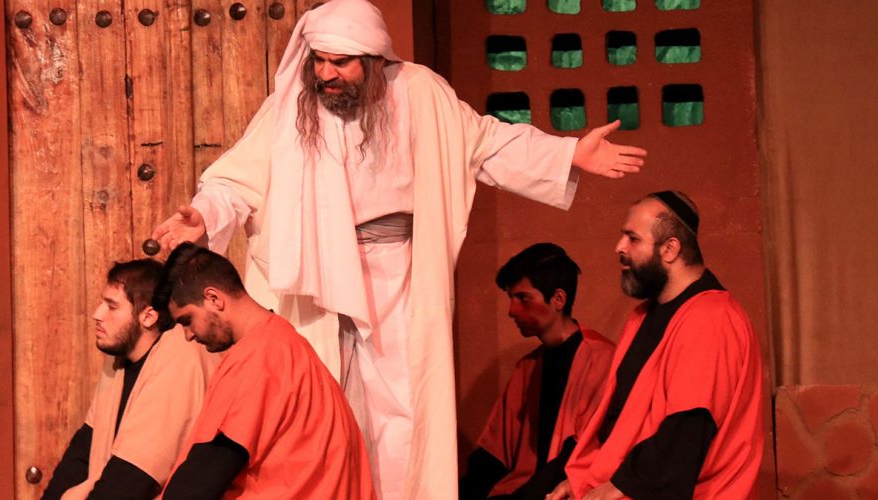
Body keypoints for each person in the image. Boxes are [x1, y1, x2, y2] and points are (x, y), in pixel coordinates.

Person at [151, 0, 646, 496]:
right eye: (319, 60)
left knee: (402, 416)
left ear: (373, 59)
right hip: (317, 271)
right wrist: (204, 213)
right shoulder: (291, 104)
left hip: (397, 280)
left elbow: (485, 143)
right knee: (319, 402)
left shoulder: (419, 92)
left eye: (340, 62)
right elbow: (237, 180)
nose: (325, 73)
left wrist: (568, 153)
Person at [547, 192, 763, 500]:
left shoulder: (711, 317)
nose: (619, 247)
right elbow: (622, 421)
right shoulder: (643, 317)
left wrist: (618, 488)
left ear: (670, 249)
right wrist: (584, 481)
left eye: (633, 238)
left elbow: (685, 433)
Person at [158, 243, 374, 499]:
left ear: (214, 299)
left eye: (187, 320)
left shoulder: (258, 357)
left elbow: (202, 477)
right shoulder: (286, 343)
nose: (188, 335)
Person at [43, 259, 217, 499]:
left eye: (112, 306)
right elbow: (83, 450)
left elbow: (134, 475)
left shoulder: (179, 357)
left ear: (148, 316)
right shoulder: (119, 359)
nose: (97, 314)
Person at [460, 244, 615, 499]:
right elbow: (492, 455)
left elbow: (582, 451)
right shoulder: (528, 367)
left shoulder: (601, 358)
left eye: (523, 298)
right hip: (522, 489)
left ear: (558, 299)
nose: (511, 310)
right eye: (511, 298)